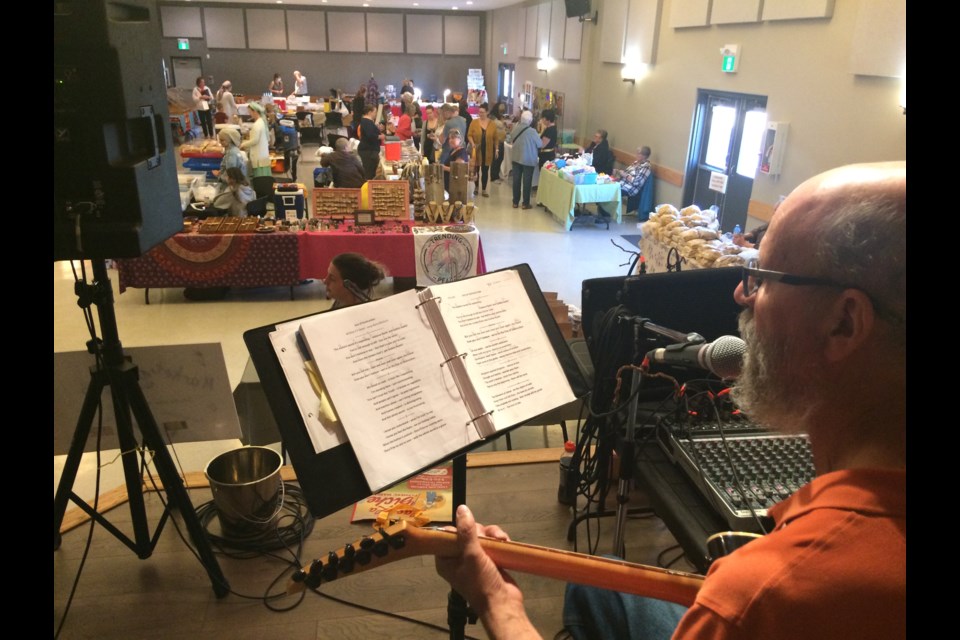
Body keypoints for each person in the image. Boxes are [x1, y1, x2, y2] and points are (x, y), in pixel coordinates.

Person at [435, 161, 907, 640]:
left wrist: (497, 600)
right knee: (603, 582)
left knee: (596, 580)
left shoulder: (760, 598)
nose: (742, 294)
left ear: (845, 323)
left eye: (762, 277)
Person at [506, 110, 542, 210]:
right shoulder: (533, 132)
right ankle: (525, 203)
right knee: (527, 181)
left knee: (516, 180)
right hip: (529, 159)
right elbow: (540, 144)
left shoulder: (516, 128)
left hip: (516, 158)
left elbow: (509, 139)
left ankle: (515, 202)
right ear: (530, 121)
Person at [467, 103, 499, 198]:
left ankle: (484, 189)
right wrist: (472, 143)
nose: (480, 114)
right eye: (479, 112)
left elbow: (496, 138)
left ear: (487, 112)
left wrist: (496, 149)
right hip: (476, 150)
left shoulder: (492, 124)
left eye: (482, 112)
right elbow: (469, 135)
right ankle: (476, 187)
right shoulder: (474, 122)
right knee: (476, 169)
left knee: (485, 170)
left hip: (488, 150)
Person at [612, 145, 653, 216]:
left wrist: (625, 175)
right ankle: (604, 212)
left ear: (644, 156)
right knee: (606, 186)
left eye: (638, 153)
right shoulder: (636, 162)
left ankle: (605, 214)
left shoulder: (646, 167)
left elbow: (637, 182)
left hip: (630, 188)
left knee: (610, 191)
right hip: (623, 183)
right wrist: (618, 172)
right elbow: (627, 173)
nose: (636, 154)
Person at [241, 101, 272, 178]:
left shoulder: (257, 125)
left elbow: (255, 140)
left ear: (254, 111)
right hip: (262, 154)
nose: (249, 114)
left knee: (260, 178)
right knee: (265, 177)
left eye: (250, 112)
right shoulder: (261, 122)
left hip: (258, 155)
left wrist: (243, 144)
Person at [357, 104, 384, 180]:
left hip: (369, 150)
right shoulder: (367, 122)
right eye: (374, 112)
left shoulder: (368, 122)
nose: (375, 114)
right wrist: (380, 136)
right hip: (368, 151)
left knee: (370, 171)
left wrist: (378, 129)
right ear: (369, 112)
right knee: (369, 172)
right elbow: (370, 135)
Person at [442, 129, 470, 194]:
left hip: (455, 186)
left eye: (453, 138)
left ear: (460, 139)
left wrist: (444, 167)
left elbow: (458, 169)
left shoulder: (461, 152)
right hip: (449, 184)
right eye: (449, 138)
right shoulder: (452, 151)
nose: (450, 140)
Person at [490, 101, 509, 183]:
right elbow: (497, 125)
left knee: (500, 158)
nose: (502, 111)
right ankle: (493, 177)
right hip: (495, 141)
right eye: (501, 109)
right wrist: (503, 123)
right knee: (496, 159)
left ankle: (497, 175)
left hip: (501, 140)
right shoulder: (492, 117)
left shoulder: (500, 117)